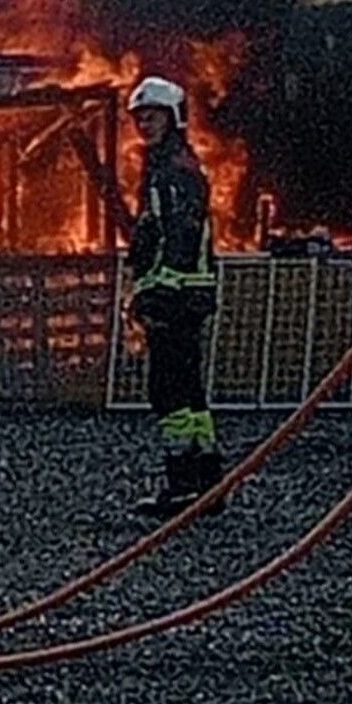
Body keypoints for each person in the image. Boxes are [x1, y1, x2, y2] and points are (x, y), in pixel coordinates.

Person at [126, 76, 225, 519]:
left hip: (175, 298)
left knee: (167, 393)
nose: (145, 124)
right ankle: (208, 481)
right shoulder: (172, 167)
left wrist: (154, 293)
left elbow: (177, 238)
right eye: (140, 117)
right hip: (188, 296)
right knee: (190, 391)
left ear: (175, 117)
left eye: (154, 116)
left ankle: (183, 483)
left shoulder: (172, 173)